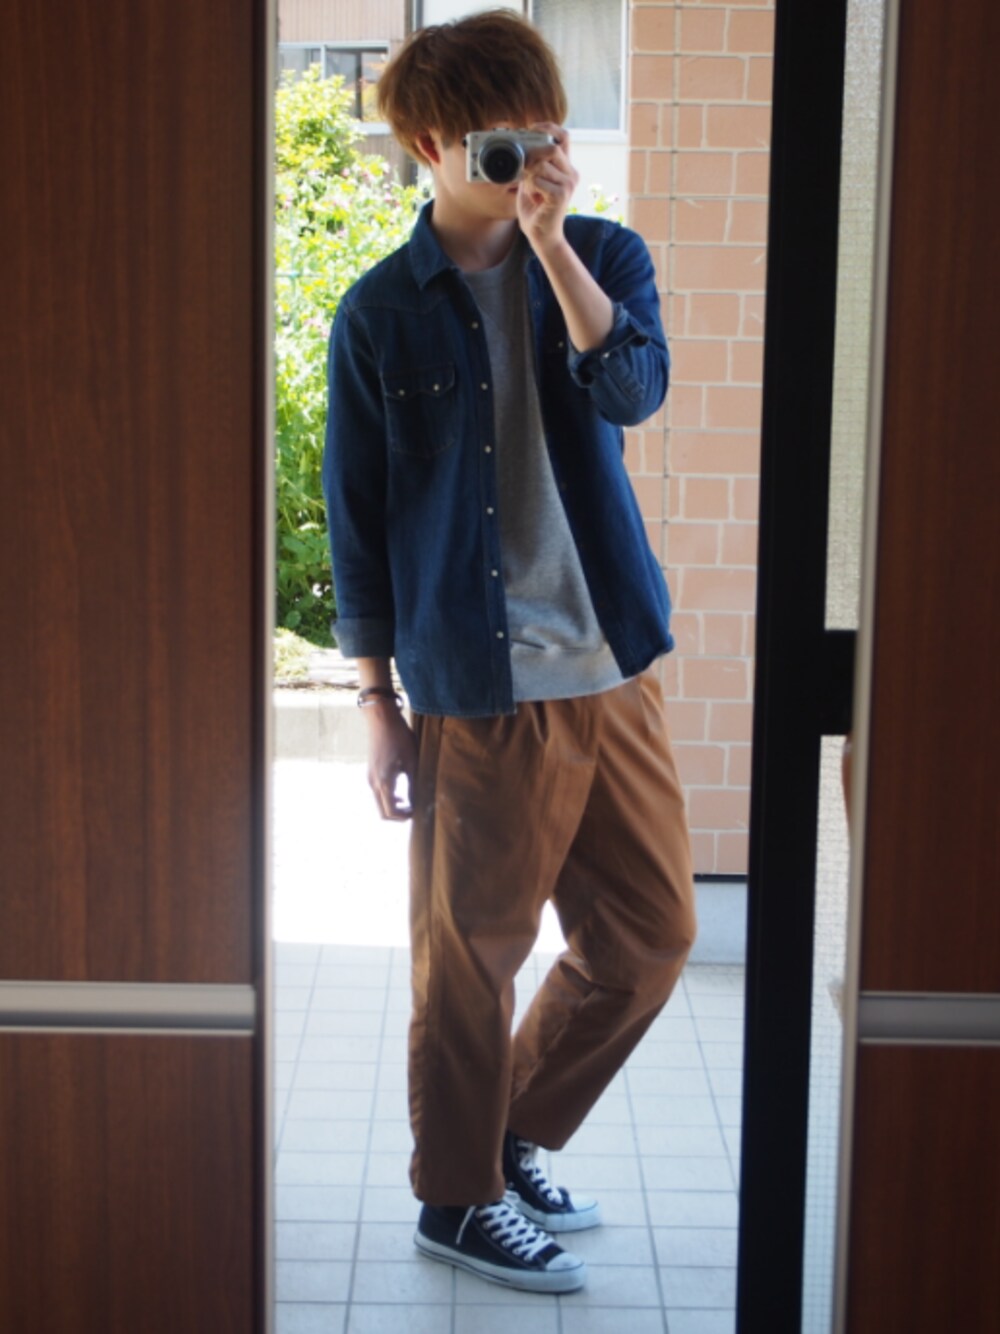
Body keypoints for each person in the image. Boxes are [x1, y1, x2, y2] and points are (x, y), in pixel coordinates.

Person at [323, 9, 696, 1295]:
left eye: (541, 129)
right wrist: (375, 701)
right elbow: (358, 519)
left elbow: (633, 391)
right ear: (429, 145)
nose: (526, 154)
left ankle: (510, 1135)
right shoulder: (380, 313)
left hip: (610, 661)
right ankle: (456, 1196)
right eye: (497, 138)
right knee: (470, 960)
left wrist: (548, 245)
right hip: (479, 685)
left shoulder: (602, 254)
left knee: (649, 936)